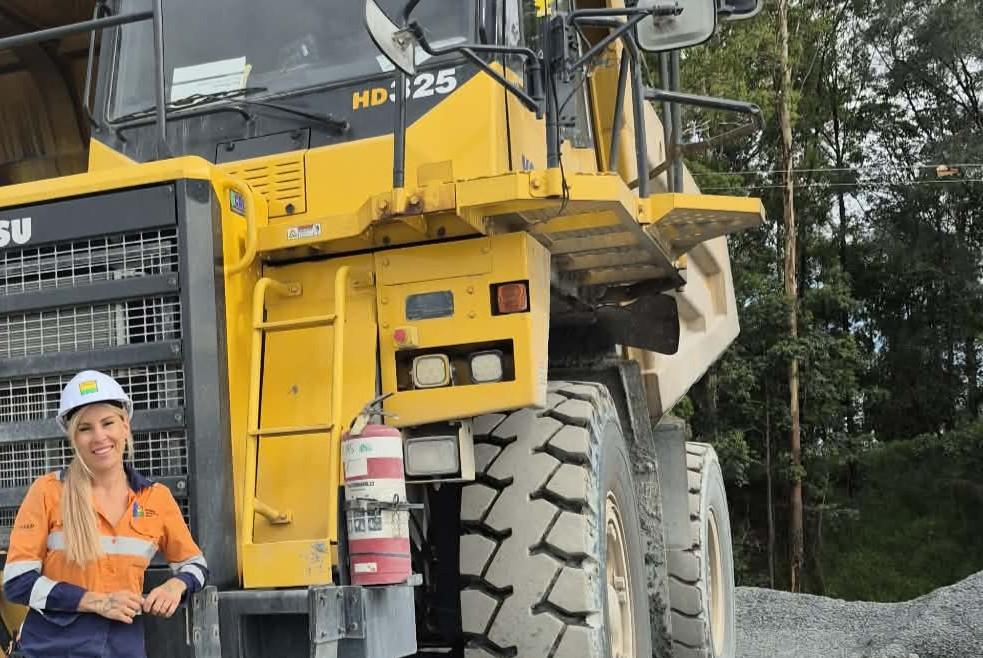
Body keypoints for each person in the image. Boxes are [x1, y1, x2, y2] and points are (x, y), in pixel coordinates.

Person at [2, 370, 208, 657]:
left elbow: (195, 565)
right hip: (50, 650)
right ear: (73, 437)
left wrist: (176, 585)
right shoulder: (48, 492)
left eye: (108, 423)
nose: (99, 437)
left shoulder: (156, 498)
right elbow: (17, 583)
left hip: (121, 649)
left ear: (125, 426)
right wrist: (94, 602)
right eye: (85, 428)